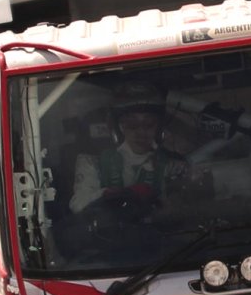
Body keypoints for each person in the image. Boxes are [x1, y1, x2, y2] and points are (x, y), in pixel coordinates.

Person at [68, 93, 191, 222]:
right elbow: (78, 204)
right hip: (110, 238)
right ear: (117, 128)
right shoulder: (93, 162)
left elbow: (186, 210)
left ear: (159, 129)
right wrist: (112, 194)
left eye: (149, 124)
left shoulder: (172, 165)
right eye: (132, 124)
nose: (141, 132)